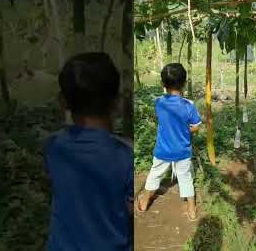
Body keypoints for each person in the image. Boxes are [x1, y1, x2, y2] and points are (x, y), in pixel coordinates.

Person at [43, 52, 133, 251]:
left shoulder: (53, 147)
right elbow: (129, 210)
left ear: (63, 102)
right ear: (116, 102)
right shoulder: (125, 156)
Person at [137, 63, 201, 221]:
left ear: (162, 84)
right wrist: (185, 130)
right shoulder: (189, 106)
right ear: (184, 83)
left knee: (154, 175)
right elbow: (196, 126)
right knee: (185, 178)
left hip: (163, 151)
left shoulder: (159, 103)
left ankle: (144, 202)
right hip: (182, 151)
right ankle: (191, 210)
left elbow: (163, 120)